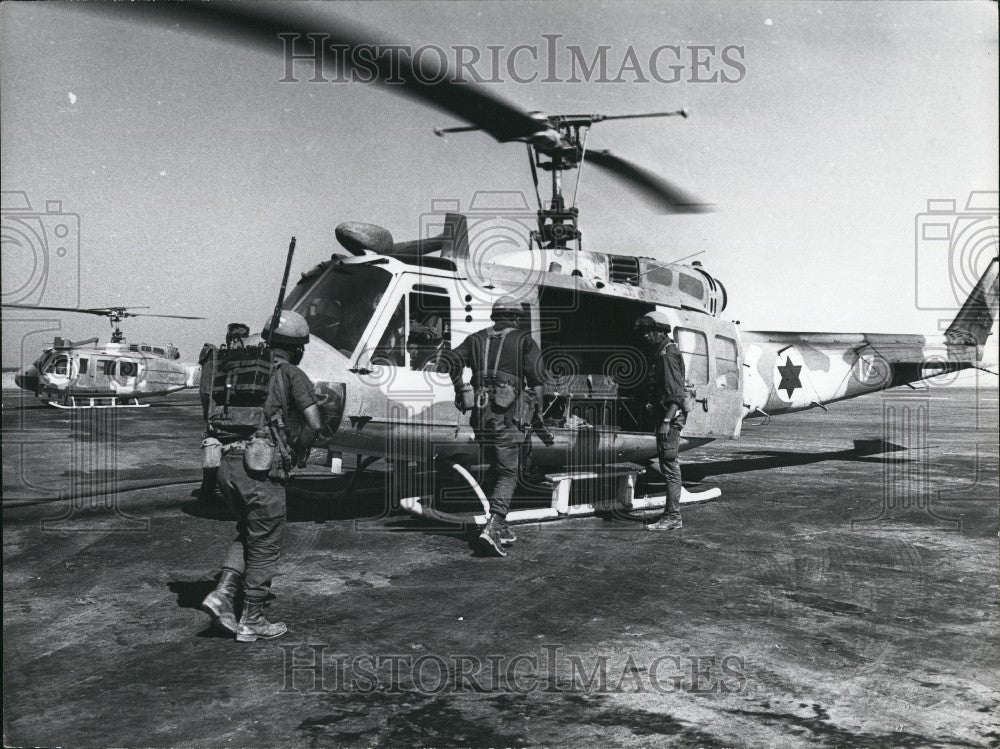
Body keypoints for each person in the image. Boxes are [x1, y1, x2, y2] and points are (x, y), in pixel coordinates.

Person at [200, 311, 322, 641]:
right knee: (266, 542)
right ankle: (252, 618)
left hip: (225, 464)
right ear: (297, 349)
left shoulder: (239, 369)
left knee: (249, 531)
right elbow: (315, 423)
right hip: (260, 470)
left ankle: (222, 594)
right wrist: (297, 452)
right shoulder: (289, 372)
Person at [447, 295, 545, 556]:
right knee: (509, 472)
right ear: (515, 316)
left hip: (480, 415)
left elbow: (450, 360)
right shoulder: (524, 340)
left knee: (495, 465)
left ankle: (500, 525)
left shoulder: (476, 338)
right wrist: (540, 412)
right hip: (508, 415)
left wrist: (461, 388)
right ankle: (493, 525)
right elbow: (536, 382)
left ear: (495, 315)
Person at [634, 311, 687, 531]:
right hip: (665, 415)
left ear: (660, 331)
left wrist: (666, 420)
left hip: (669, 419)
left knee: (669, 467)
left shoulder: (666, 354)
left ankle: (673, 517)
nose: (646, 336)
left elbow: (676, 394)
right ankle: (671, 515)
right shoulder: (664, 351)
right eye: (644, 331)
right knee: (668, 467)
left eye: (650, 331)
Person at [197, 324, 251, 502]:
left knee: (213, 447)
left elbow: (206, 392)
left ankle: (209, 489)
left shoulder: (217, 358)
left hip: (219, 416)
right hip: (245, 418)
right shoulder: (251, 359)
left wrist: (209, 417)